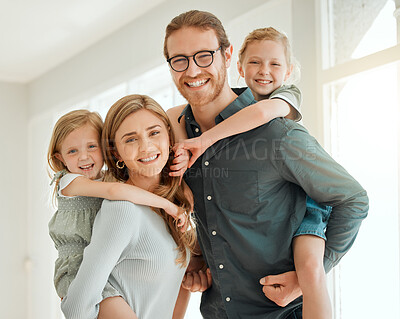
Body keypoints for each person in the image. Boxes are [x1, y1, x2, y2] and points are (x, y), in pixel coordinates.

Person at [164, 10, 369, 319]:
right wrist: (195, 259)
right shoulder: (173, 139)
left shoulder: (277, 132)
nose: (192, 70)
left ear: (227, 55)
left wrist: (307, 277)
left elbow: (352, 199)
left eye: (204, 56)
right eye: (179, 60)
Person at [53, 98, 196, 319]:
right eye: (131, 139)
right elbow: (76, 307)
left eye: (154, 132)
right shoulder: (122, 209)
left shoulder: (175, 204)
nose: (146, 147)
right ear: (116, 152)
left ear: (169, 135)